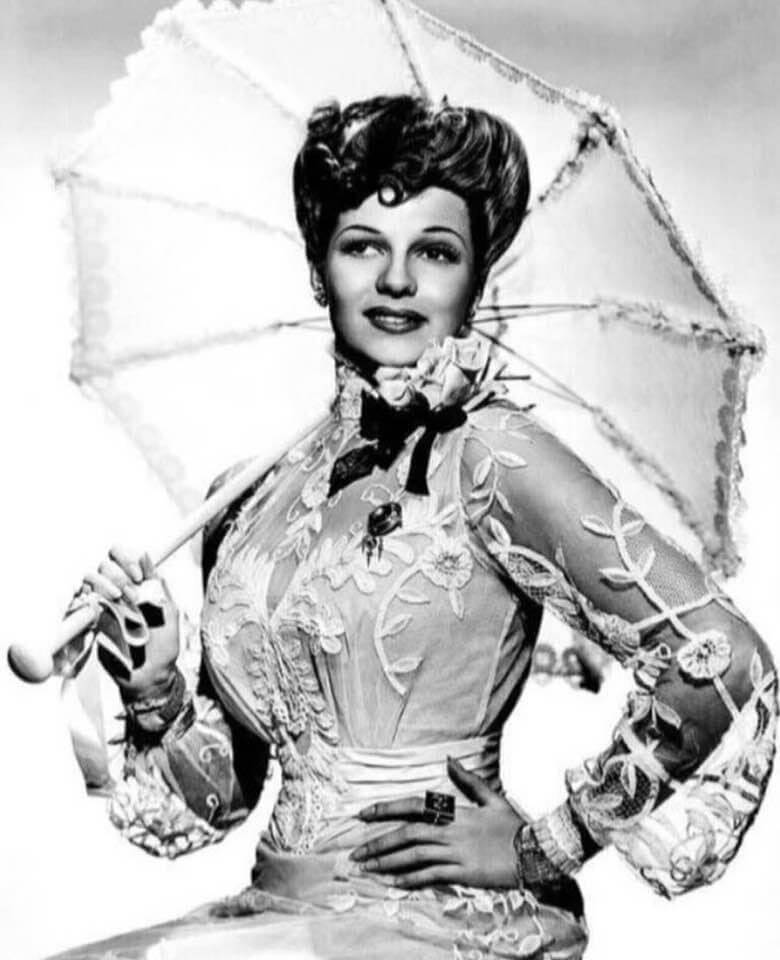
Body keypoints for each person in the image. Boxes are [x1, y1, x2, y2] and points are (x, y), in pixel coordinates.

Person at [54, 95, 776, 960]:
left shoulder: (491, 454)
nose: (397, 280)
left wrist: (547, 843)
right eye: (363, 245)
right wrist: (156, 688)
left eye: (435, 252)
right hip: (282, 910)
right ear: (319, 268)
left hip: (441, 924)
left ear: (476, 279)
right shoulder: (246, 498)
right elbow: (226, 796)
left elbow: (723, 660)